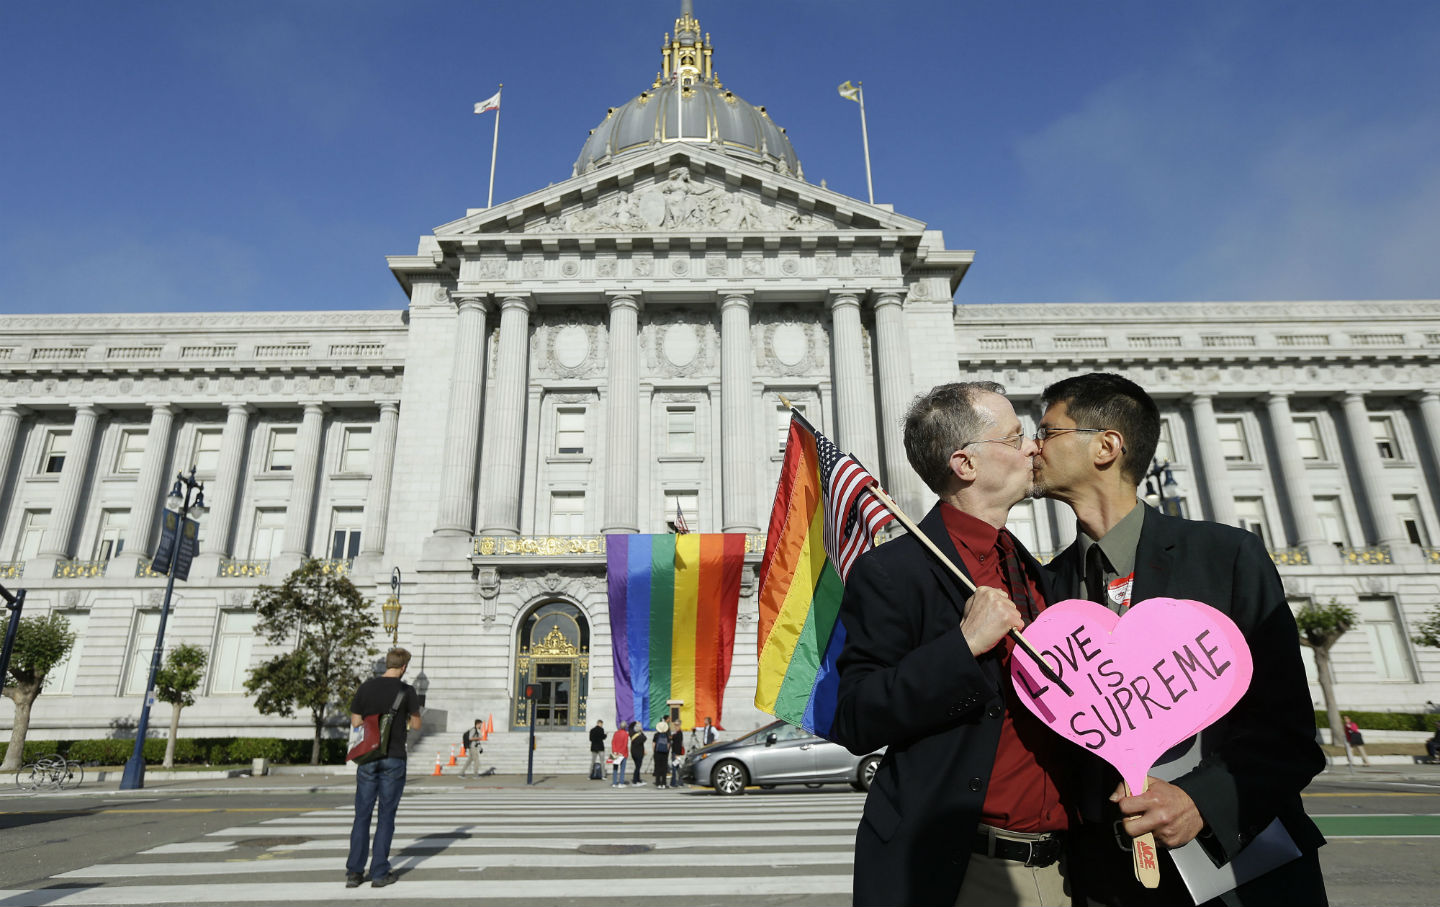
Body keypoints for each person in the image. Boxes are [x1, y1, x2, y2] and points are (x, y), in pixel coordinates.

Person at [1033, 372, 1327, 906]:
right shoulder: (1046, 593)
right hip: (1108, 883)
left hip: (1244, 872)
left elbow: (1289, 734)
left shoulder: (1227, 557)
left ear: (1106, 446)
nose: (1032, 447)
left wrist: (1198, 801)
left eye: (1047, 432)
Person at [831, 382, 1073, 906]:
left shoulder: (1037, 573)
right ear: (966, 463)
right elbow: (854, 715)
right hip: (963, 869)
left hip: (1065, 863)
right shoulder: (894, 573)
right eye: (1014, 439)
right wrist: (961, 647)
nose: (1033, 447)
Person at [345, 647, 422, 889]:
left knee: (362, 815)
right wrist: (406, 719)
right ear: (404, 667)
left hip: (368, 757)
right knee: (386, 815)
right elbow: (417, 725)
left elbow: (356, 720)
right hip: (394, 757)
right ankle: (379, 872)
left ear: (386, 664)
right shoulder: (407, 691)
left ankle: (355, 872)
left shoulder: (366, 687)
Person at [610, 721, 630, 786]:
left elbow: (613, 743)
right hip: (623, 753)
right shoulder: (626, 734)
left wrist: (614, 751)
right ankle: (621, 783)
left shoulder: (616, 733)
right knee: (622, 769)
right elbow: (625, 744)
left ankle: (614, 782)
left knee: (615, 769)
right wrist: (621, 752)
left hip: (615, 753)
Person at [653, 717, 671, 787]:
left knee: (658, 768)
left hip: (657, 753)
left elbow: (653, 744)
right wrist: (667, 751)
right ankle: (664, 783)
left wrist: (654, 751)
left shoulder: (656, 735)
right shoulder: (667, 735)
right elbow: (668, 745)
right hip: (665, 753)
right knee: (664, 768)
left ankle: (658, 783)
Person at [629, 721, 647, 786]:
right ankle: (635, 780)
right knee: (638, 767)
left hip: (633, 753)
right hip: (639, 754)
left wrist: (634, 722)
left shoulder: (631, 733)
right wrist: (641, 732)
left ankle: (638, 779)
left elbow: (630, 726)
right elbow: (645, 738)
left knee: (637, 766)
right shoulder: (641, 737)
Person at [669, 722, 685, 787]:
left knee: (674, 768)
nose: (675, 727)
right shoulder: (677, 733)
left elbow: (678, 745)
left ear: (679, 726)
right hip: (675, 753)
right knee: (677, 767)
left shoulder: (679, 734)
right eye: (675, 725)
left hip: (676, 753)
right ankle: (681, 781)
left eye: (677, 725)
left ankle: (673, 782)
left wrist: (677, 754)